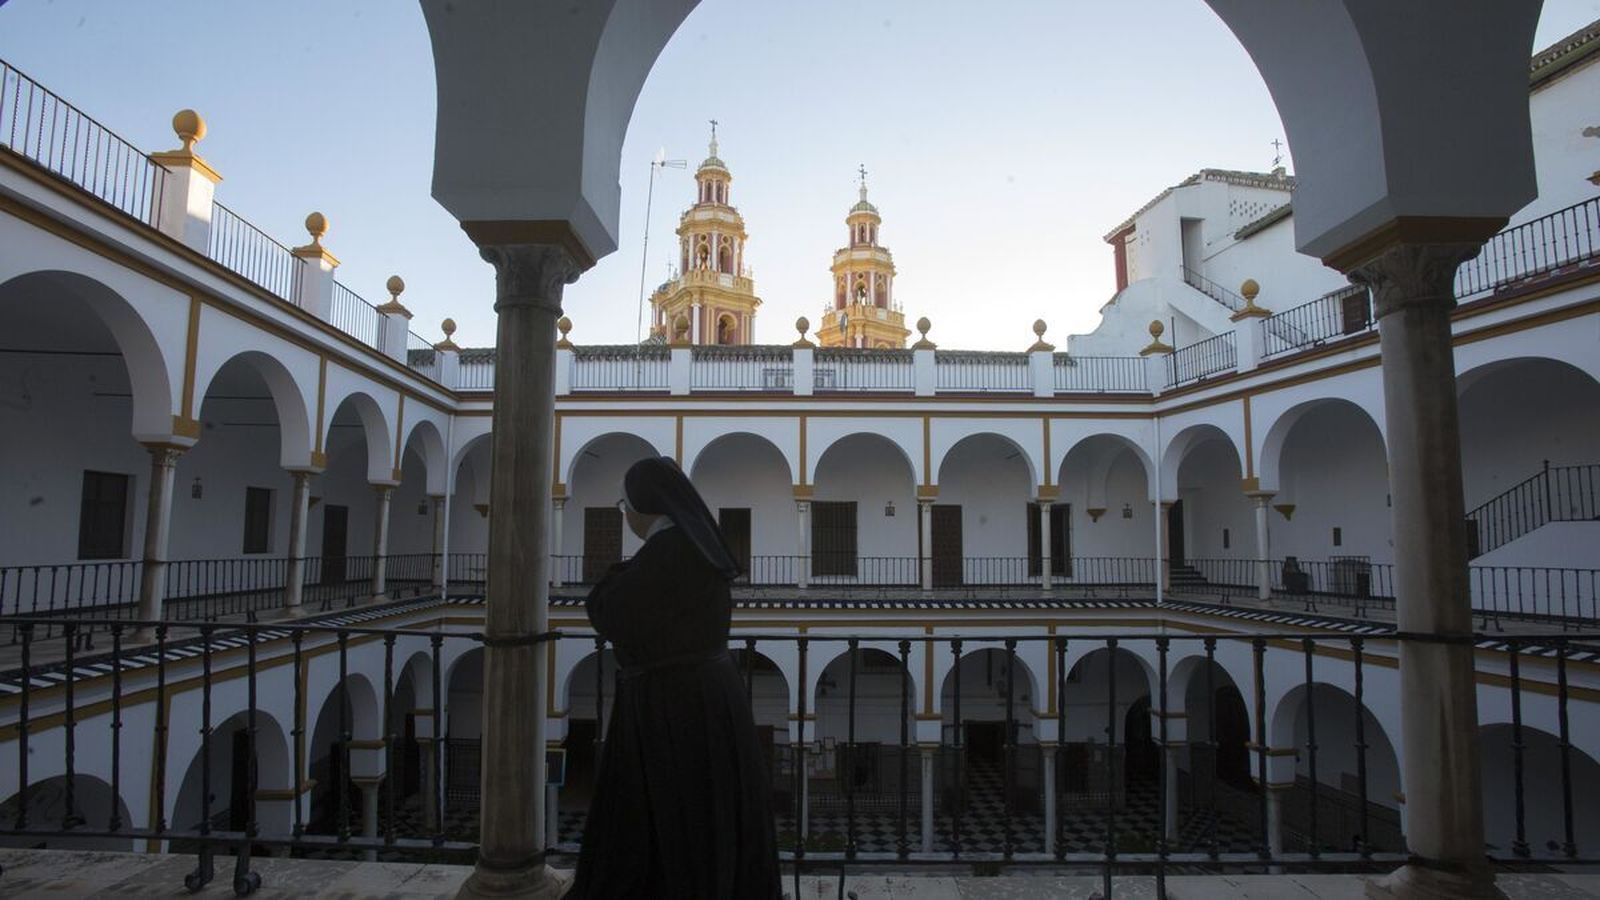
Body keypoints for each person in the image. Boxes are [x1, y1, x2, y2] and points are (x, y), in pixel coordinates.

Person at [567, 457, 782, 899]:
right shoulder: (695, 546)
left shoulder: (668, 553)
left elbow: (607, 611)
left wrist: (614, 575)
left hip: (671, 707)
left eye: (624, 503)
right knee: (711, 815)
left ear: (645, 506)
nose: (623, 513)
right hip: (710, 700)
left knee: (670, 820)